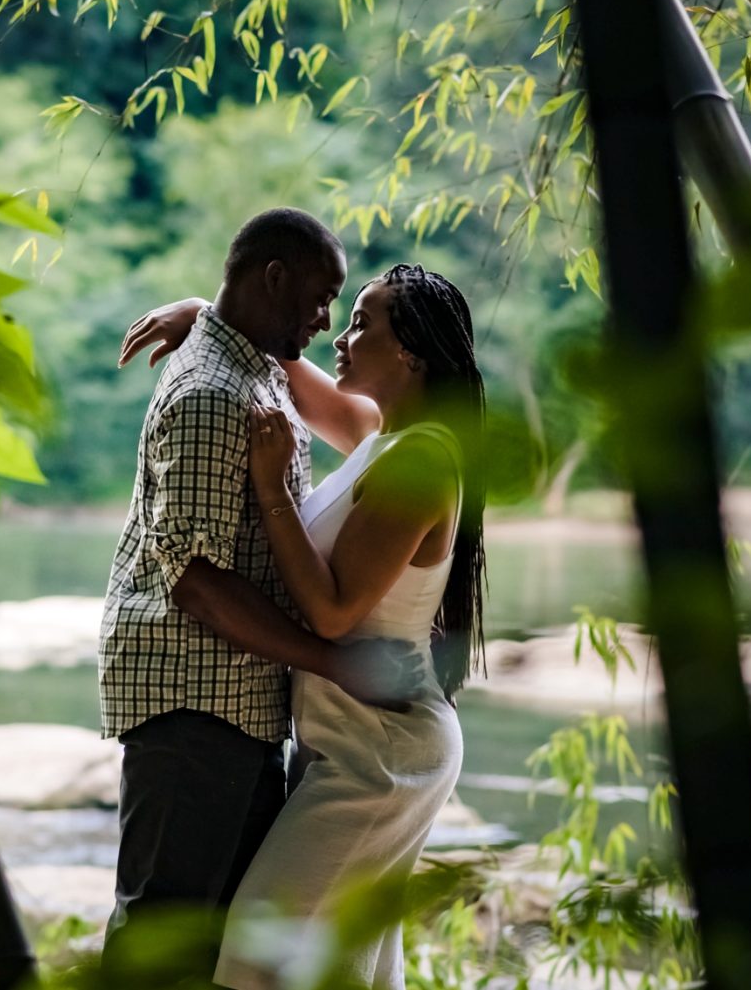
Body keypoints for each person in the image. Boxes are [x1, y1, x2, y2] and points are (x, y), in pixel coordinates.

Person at [123, 265, 488, 990]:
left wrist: (270, 488)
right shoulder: (382, 434)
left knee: (257, 956)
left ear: (411, 351)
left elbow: (332, 609)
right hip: (350, 737)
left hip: (380, 751)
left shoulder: (421, 460)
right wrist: (206, 311)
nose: (341, 338)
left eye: (362, 323)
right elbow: (287, 370)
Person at [99, 210, 424, 956]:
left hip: (239, 704)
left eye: (348, 312)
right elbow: (195, 583)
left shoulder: (257, 371)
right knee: (160, 941)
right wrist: (335, 662)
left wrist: (205, 312)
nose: (328, 322)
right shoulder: (216, 394)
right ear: (274, 277)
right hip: (196, 700)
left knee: (214, 948)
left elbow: (333, 406)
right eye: (321, 299)